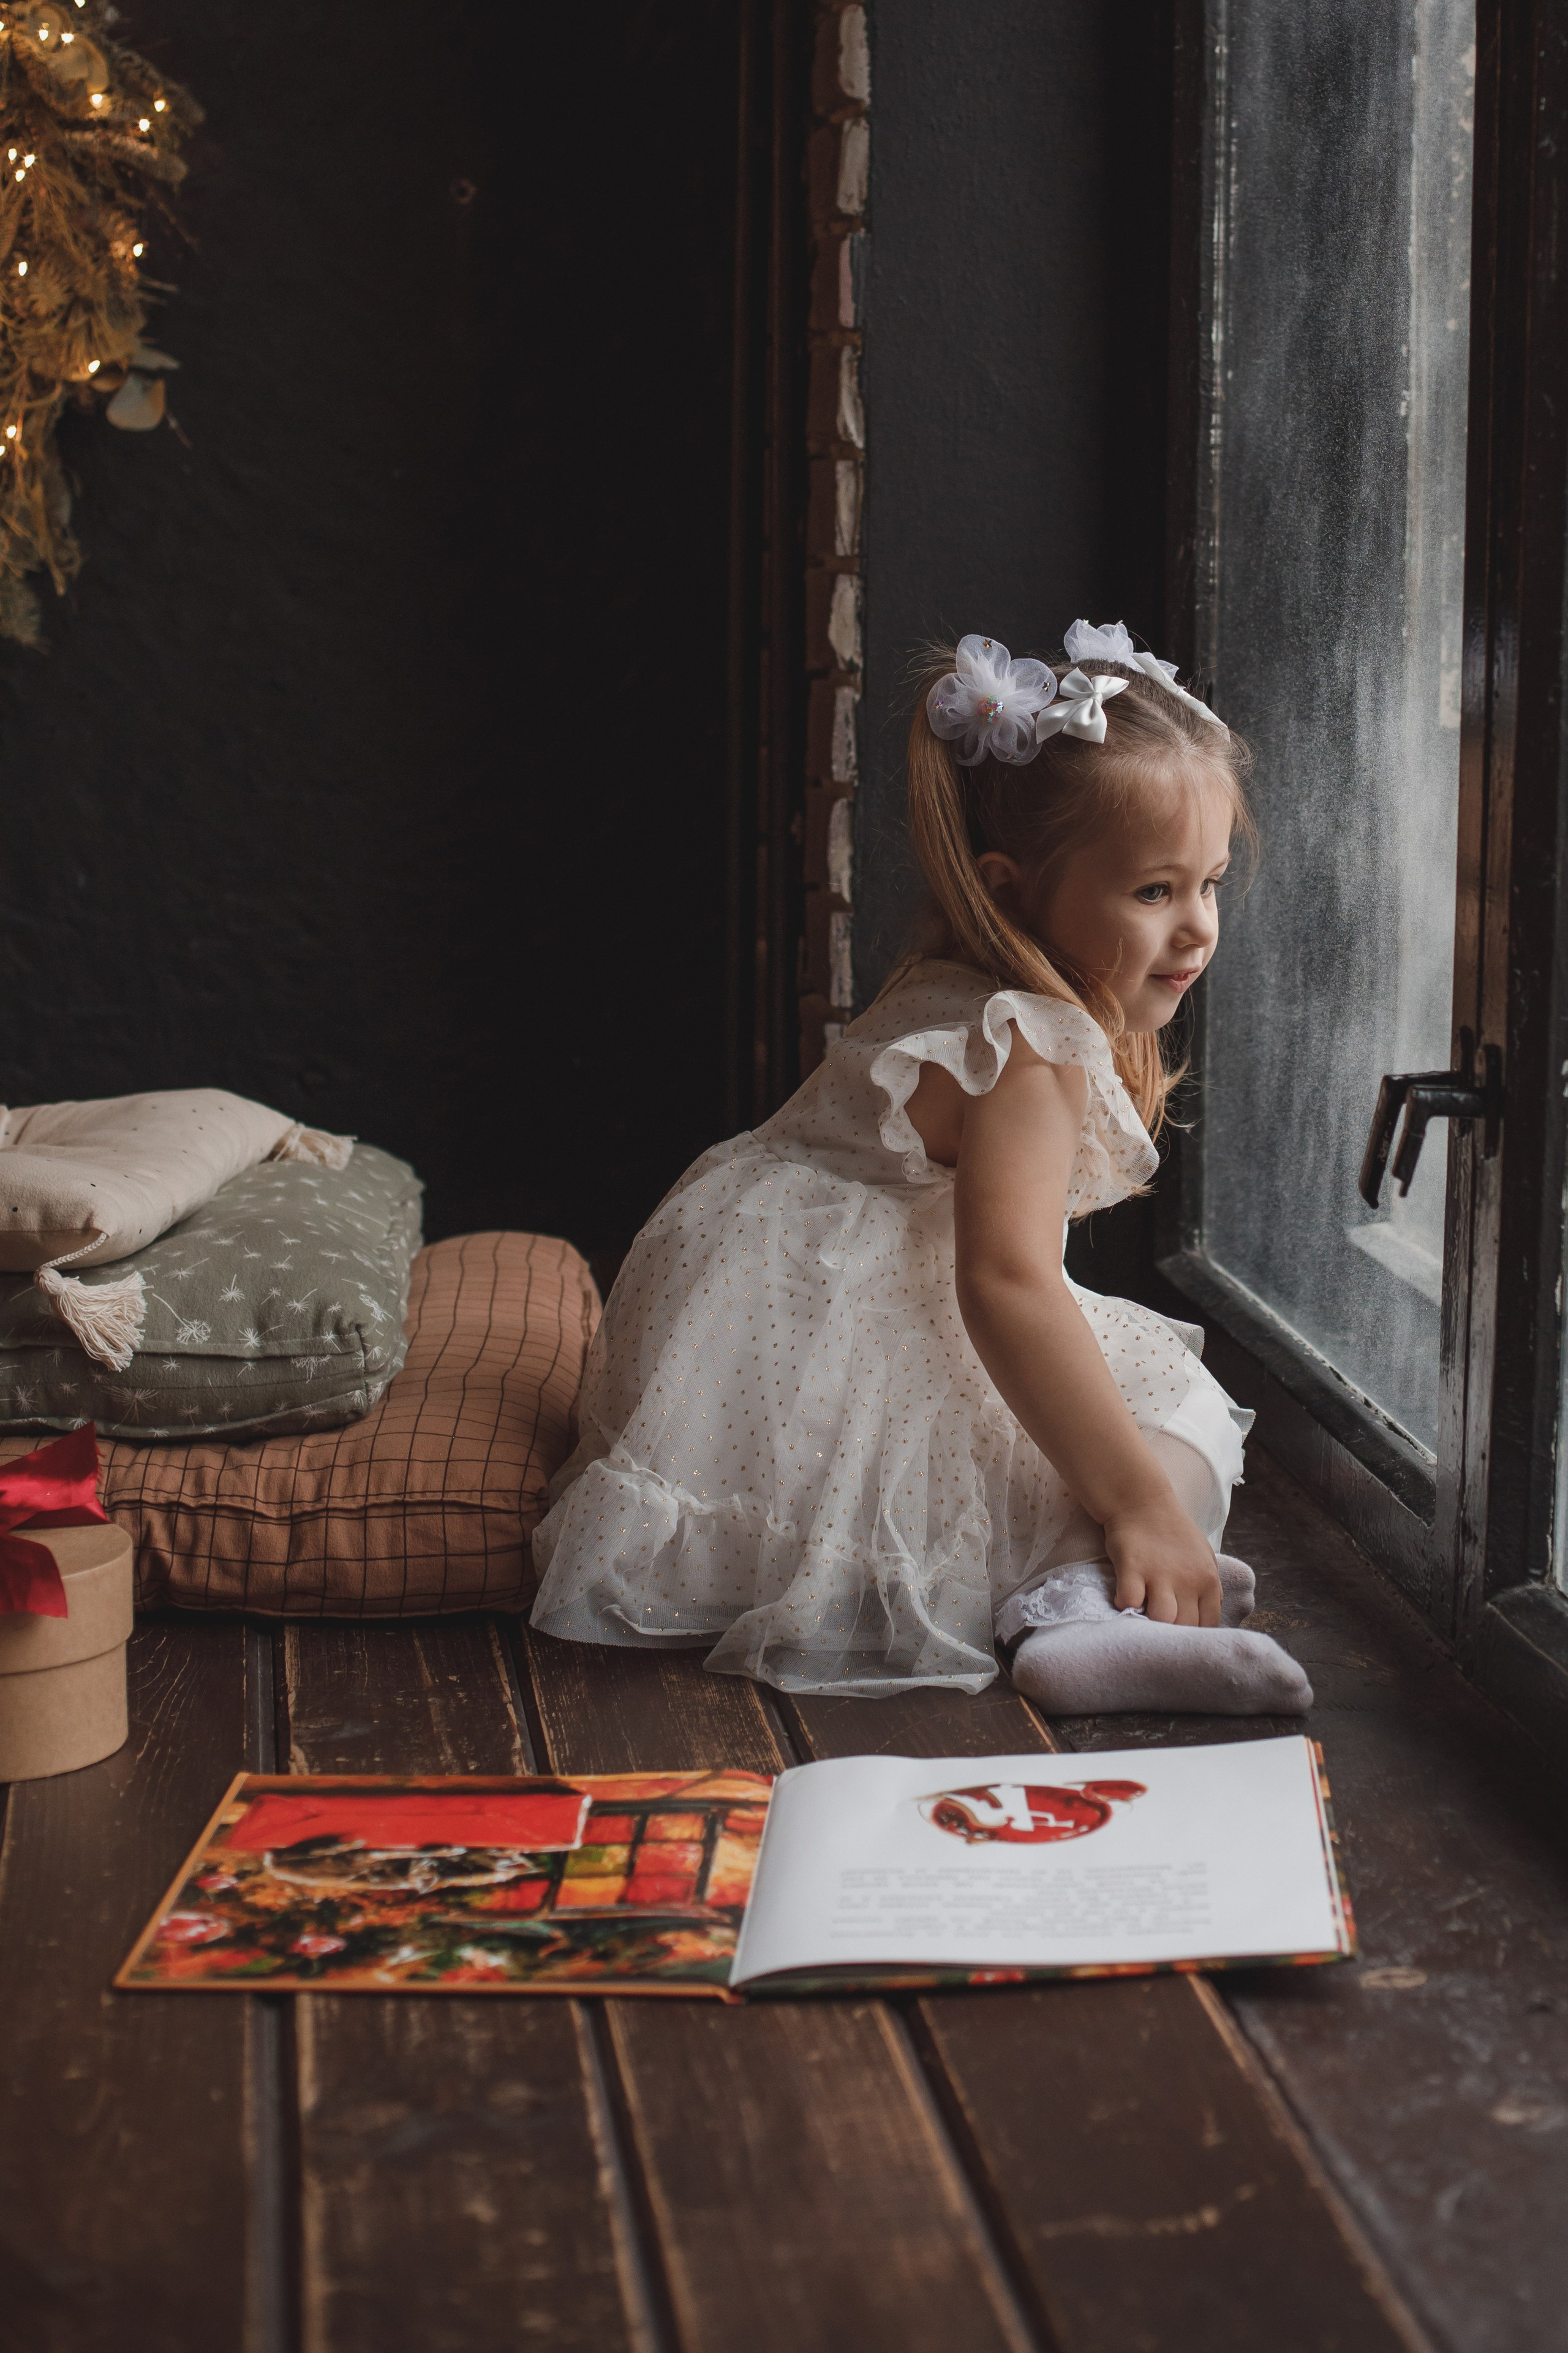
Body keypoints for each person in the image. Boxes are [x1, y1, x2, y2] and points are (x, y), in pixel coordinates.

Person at [530, 621, 1313, 1715]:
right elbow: (1004, 1285)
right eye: (1154, 892)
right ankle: (1077, 1611)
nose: (1197, 931)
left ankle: (1101, 1585)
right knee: (1175, 1423)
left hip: (753, 1316)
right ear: (1013, 885)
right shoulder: (1031, 1047)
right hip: (823, 1330)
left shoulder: (953, 972)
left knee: (1125, 1422)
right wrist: (1138, 1499)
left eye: (1211, 884)